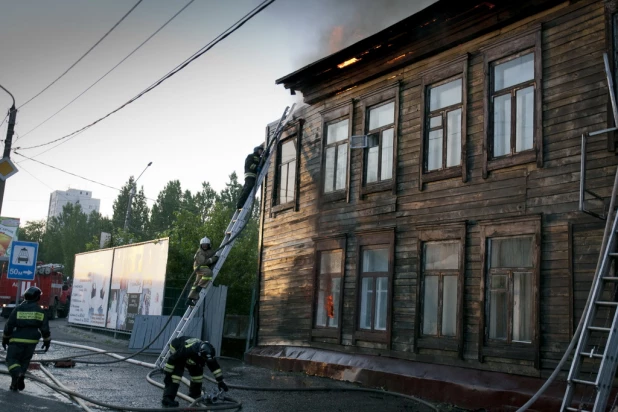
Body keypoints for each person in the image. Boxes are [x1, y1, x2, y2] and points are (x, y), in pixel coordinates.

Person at [2, 286, 51, 392]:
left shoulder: (18, 309)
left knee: (11, 360)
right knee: (24, 362)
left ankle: (18, 374)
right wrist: (47, 341)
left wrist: (5, 338)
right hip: (32, 342)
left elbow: (9, 325)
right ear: (37, 298)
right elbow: (45, 329)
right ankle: (14, 384)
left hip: (17, 340)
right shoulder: (40, 311)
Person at [161, 336, 228, 408]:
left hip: (192, 357)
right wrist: (168, 373)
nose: (206, 361)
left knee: (197, 375)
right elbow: (172, 358)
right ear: (199, 354)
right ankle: (167, 399)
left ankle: (194, 394)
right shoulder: (187, 349)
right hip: (177, 350)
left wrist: (220, 381)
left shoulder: (208, 352)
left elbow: (215, 367)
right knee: (175, 376)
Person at [186, 237, 219, 307]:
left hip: (204, 268)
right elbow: (203, 262)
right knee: (209, 273)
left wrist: (216, 256)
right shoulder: (200, 252)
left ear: (208, 245)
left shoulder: (210, 251)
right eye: (203, 245)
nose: (204, 246)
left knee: (196, 282)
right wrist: (213, 259)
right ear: (201, 245)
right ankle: (200, 286)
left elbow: (212, 254)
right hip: (199, 267)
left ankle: (190, 298)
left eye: (206, 245)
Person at [236, 144, 265, 210]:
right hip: (249, 175)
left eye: (262, 151)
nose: (261, 152)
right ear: (256, 150)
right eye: (260, 150)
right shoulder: (251, 156)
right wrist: (256, 168)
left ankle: (243, 204)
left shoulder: (260, 158)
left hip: (255, 176)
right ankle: (240, 205)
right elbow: (249, 164)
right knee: (247, 188)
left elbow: (263, 162)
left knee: (249, 190)